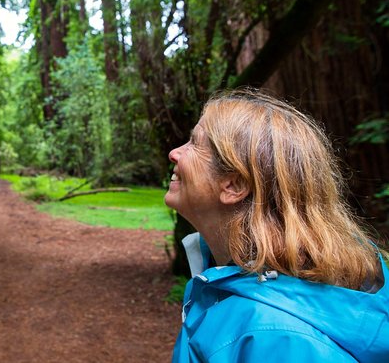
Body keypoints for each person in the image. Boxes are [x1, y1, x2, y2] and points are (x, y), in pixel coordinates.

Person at [166, 88, 389, 362]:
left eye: (194, 143)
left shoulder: (279, 339)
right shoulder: (225, 270)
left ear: (234, 185)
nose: (174, 153)